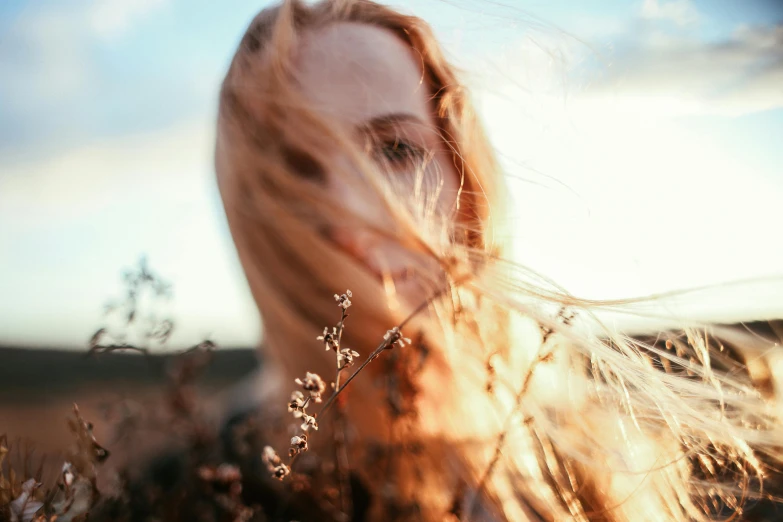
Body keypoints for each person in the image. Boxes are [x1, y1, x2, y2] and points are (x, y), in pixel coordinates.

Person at [214, 0, 783, 520]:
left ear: (466, 180)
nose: (353, 211)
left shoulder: (595, 448)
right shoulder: (222, 486)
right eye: (298, 171)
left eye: (395, 149)